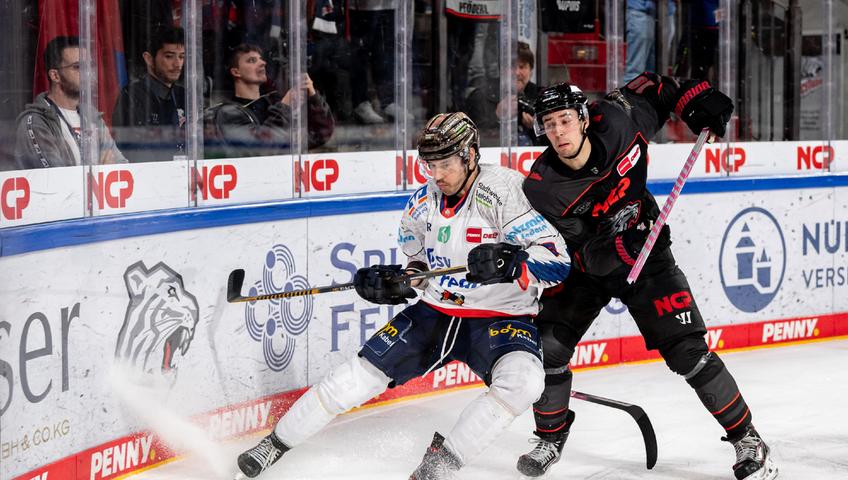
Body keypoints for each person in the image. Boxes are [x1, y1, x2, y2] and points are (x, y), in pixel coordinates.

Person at [235, 112, 572, 479]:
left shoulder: (505, 191)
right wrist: (399, 282)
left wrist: (514, 261)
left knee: (524, 383)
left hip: (501, 318)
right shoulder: (423, 201)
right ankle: (276, 443)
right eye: (430, 165)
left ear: (470, 155)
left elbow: (558, 261)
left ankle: (441, 464)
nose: (437, 175)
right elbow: (420, 269)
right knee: (354, 378)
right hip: (436, 313)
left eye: (445, 164)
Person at [516, 76, 779, 480]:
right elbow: (572, 248)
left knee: (688, 352)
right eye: (548, 124)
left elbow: (661, 86)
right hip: (586, 270)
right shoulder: (544, 187)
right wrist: (619, 249)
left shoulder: (620, 119)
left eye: (565, 119)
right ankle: (550, 438)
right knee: (547, 350)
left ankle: (748, 439)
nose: (558, 132)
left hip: (648, 255)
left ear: (584, 118)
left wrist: (698, 100)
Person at [15, 36, 127, 169]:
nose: (88, 73)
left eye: (89, 66)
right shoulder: (35, 122)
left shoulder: (92, 117)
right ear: (55, 75)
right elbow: (56, 180)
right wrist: (101, 169)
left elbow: (121, 167)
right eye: (78, 67)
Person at [205, 44, 334, 157]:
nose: (263, 63)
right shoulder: (227, 113)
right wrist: (285, 106)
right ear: (236, 72)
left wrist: (313, 97)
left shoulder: (273, 102)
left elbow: (319, 135)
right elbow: (260, 150)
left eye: (261, 59)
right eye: (251, 60)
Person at [112, 26, 187, 162]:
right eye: (169, 56)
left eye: (181, 57)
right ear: (148, 59)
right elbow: (132, 152)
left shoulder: (185, 95)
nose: (178, 64)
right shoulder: (131, 96)